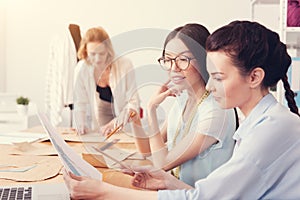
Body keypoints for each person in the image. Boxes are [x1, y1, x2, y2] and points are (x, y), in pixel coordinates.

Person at [63, 21, 300, 199]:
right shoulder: (259, 124)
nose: (209, 84)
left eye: (218, 77)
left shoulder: (269, 131)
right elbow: (211, 194)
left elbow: (200, 197)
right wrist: (167, 181)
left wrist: (103, 191)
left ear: (255, 77)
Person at [145, 23, 236, 186]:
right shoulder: (182, 99)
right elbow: (149, 148)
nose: (173, 68)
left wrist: (151, 110)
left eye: (182, 60)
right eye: (167, 60)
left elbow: (162, 163)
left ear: (203, 59)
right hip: (178, 191)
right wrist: (132, 117)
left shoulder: (216, 110)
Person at [73, 27, 141, 135]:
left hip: (124, 125)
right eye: (93, 54)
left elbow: (133, 102)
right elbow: (80, 103)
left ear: (108, 50)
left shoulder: (125, 65)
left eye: (101, 53)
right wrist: (80, 124)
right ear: (85, 51)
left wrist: (116, 123)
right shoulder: (81, 69)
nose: (98, 59)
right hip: (98, 128)